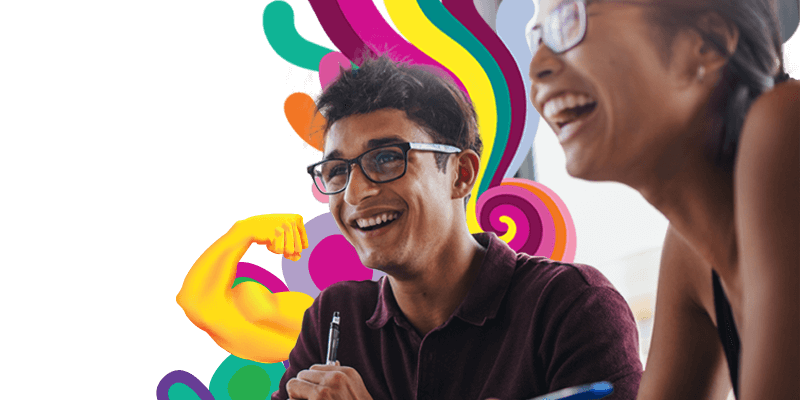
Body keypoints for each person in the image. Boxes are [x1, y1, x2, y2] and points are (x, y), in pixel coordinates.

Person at [178, 54, 644, 400]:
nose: (355, 193)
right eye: (338, 171)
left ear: (460, 174)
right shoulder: (334, 318)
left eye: (386, 158)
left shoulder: (571, 307)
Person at [525, 0, 798, 399]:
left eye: (569, 22)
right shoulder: (693, 250)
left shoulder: (787, 125)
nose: (536, 68)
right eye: (537, 38)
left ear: (706, 45)